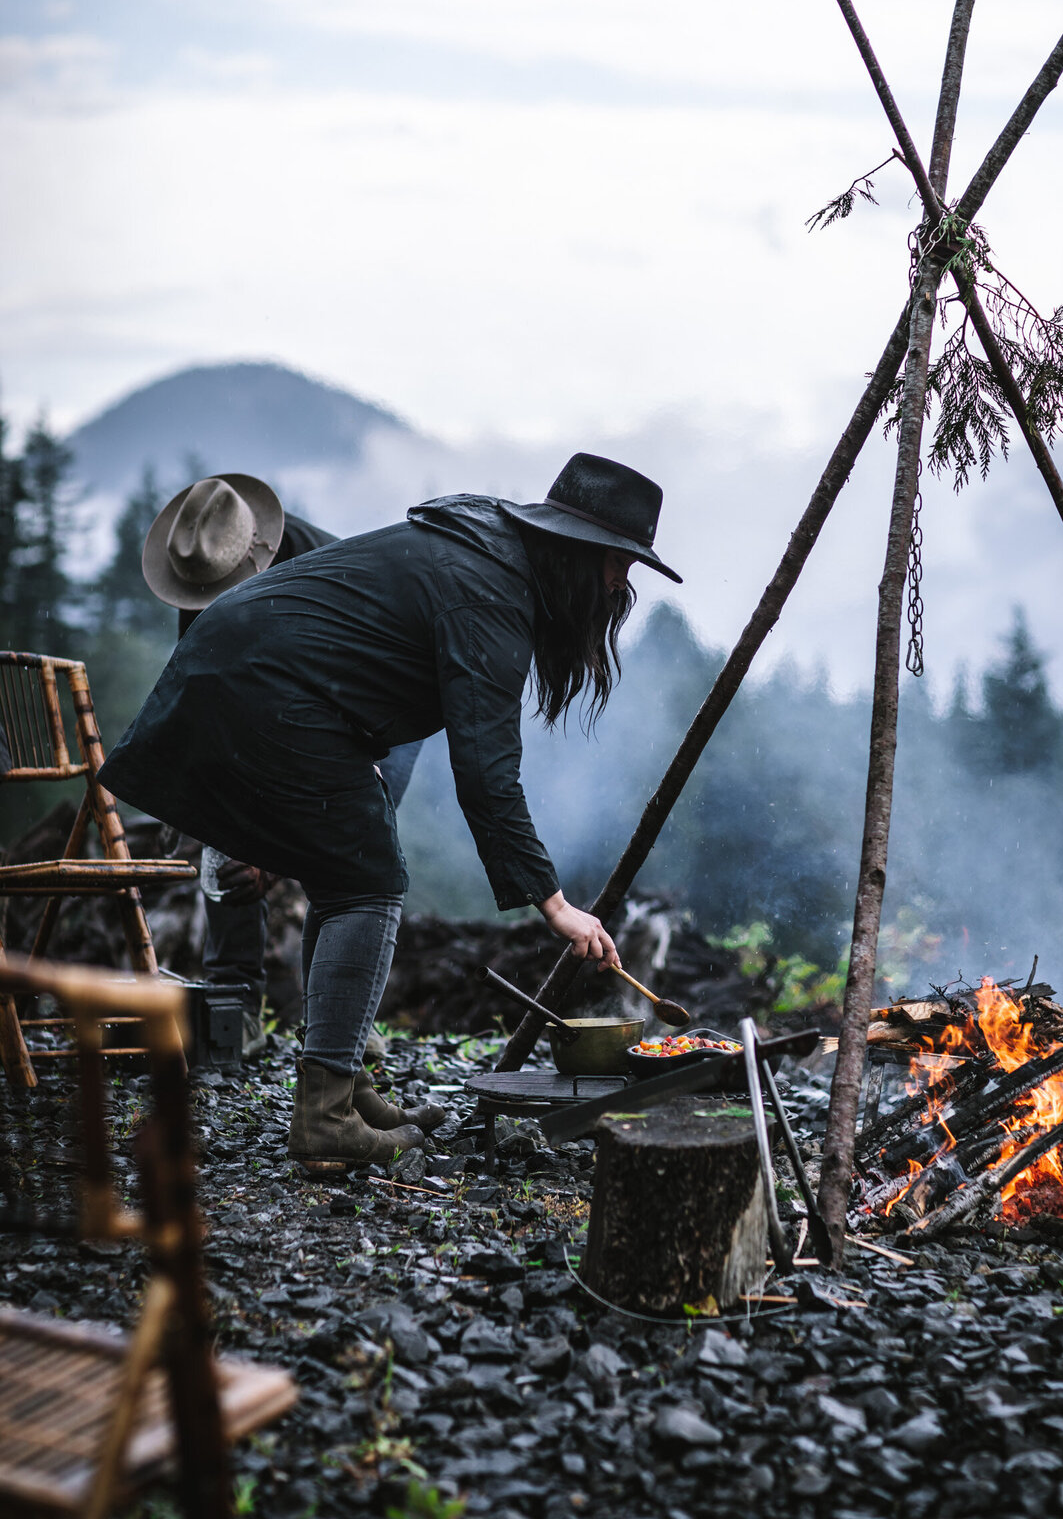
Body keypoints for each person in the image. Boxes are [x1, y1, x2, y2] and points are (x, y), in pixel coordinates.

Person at [100, 453, 681, 1171]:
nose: (623, 585)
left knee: (345, 872)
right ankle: (326, 1117)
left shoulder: (489, 546)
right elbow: (486, 771)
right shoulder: (491, 593)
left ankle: (346, 1084)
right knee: (368, 883)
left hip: (267, 686)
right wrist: (556, 906)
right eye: (619, 564)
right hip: (270, 695)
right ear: (580, 551)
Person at [140, 473, 420, 1058]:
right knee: (225, 851)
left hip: (378, 720)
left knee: (350, 855)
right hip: (270, 718)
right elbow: (207, 705)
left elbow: (359, 726)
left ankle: (338, 1024)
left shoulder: (335, 576)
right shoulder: (206, 582)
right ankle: (233, 1003)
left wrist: (274, 848)